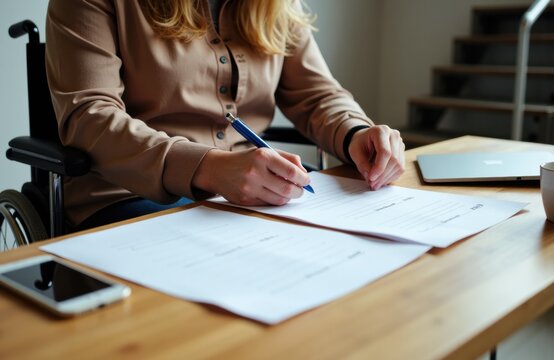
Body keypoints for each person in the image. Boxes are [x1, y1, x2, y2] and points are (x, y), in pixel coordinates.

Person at [45, 0, 405, 230]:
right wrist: (209, 167)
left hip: (256, 193)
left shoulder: (277, 6)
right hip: (126, 195)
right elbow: (91, 117)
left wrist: (356, 132)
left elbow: (317, 93)